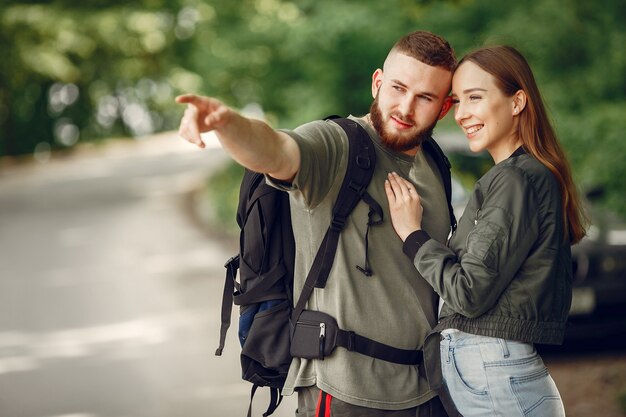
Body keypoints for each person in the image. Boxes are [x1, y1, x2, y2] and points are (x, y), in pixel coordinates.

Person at [177, 31, 457, 416]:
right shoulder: (339, 146)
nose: (405, 107)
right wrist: (228, 125)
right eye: (397, 88)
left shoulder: (435, 166)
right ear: (377, 82)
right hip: (345, 393)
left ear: (443, 108)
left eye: (425, 97)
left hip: (427, 393)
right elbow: (277, 150)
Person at [384, 45, 588, 417]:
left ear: (517, 102)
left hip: (495, 370)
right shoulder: (519, 176)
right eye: (457, 101)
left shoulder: (517, 179)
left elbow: (468, 292)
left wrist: (413, 235)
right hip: (495, 370)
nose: (462, 114)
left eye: (475, 98)